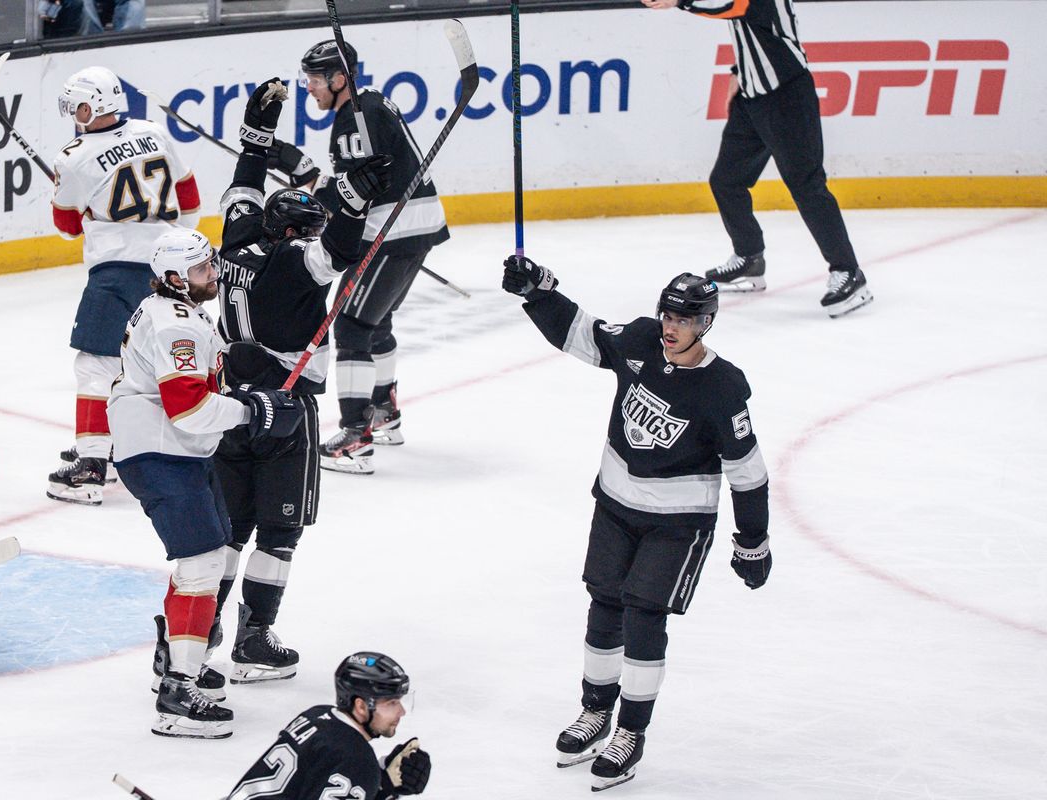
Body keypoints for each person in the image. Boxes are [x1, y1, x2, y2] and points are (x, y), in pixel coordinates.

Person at [501, 255, 773, 791]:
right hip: (616, 507)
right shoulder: (644, 341)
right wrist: (537, 292)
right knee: (604, 605)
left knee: (644, 616)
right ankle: (595, 713)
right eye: (668, 316)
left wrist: (753, 540)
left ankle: (630, 732)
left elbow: (748, 469)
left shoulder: (722, 387)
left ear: (706, 323)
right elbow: (584, 335)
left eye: (685, 320)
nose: (672, 327)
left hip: (677, 523)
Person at [211, 78, 391, 683]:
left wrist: (257, 134)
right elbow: (337, 250)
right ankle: (254, 636)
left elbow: (243, 181)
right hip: (285, 409)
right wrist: (355, 198)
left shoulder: (235, 237)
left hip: (229, 403)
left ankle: (203, 620)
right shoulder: (296, 262)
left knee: (229, 525)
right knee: (279, 529)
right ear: (296, 232)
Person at [109, 229, 303, 739]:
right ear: (174, 278)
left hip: (174, 450)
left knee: (208, 558)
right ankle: (177, 692)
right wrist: (253, 409)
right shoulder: (178, 324)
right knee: (201, 565)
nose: (212, 275)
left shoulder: (172, 310)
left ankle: (176, 661)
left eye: (210, 265)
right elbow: (190, 408)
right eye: (200, 271)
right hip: (161, 450)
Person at [268, 39, 450, 474]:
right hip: (411, 229)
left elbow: (355, 193)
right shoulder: (369, 106)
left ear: (337, 78)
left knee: (350, 325)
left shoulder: (355, 119)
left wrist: (307, 181)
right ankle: (384, 412)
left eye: (315, 80)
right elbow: (366, 178)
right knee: (375, 321)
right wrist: (312, 176)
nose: (309, 88)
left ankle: (355, 435)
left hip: (391, 233)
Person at [641, 0, 873, 318]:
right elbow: (748, 27)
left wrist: (679, 1)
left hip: (787, 95)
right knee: (726, 180)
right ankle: (749, 259)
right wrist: (739, 71)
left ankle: (849, 272)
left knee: (807, 185)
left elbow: (733, 6)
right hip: (752, 98)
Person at [48, 65, 201, 505]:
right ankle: (136, 447)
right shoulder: (154, 131)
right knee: (150, 362)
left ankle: (93, 463)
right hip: (171, 264)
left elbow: (65, 228)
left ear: (92, 105)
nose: (71, 112)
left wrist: (84, 206)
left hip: (116, 270)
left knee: (96, 364)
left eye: (75, 103)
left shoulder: (72, 156)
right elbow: (189, 199)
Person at [226, 652, 432, 799]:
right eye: (391, 703)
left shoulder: (316, 715)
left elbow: (307, 781)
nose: (401, 711)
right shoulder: (356, 762)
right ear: (361, 706)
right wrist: (376, 783)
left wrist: (383, 782)